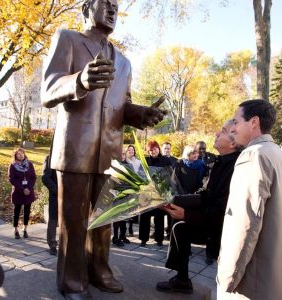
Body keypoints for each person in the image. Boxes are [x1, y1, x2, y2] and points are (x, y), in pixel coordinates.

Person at [40, 0, 166, 297]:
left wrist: (141, 115)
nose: (112, 10)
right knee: (73, 221)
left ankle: (99, 269)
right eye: (105, 4)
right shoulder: (67, 39)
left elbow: (122, 106)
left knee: (104, 218)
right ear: (86, 9)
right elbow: (48, 90)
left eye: (116, 7)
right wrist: (80, 80)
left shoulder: (123, 61)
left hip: (109, 150)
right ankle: (72, 282)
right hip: (75, 148)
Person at [217, 99, 282, 299]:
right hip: (280, 275)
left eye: (236, 122)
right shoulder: (280, 156)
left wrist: (227, 277)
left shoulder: (253, 156)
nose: (233, 129)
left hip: (255, 281)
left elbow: (245, 223)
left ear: (253, 122)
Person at [156, 120, 240, 294]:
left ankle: (182, 279)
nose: (217, 133)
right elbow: (205, 193)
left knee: (181, 226)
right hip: (211, 218)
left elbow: (221, 208)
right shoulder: (219, 162)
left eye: (222, 131)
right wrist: (174, 200)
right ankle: (182, 280)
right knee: (179, 228)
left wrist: (186, 214)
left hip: (223, 227)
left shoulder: (235, 167)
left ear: (233, 142)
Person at [138, 140, 172, 247]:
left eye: (155, 149)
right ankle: (143, 239)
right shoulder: (145, 161)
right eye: (151, 150)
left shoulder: (165, 160)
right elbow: (140, 175)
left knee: (159, 216)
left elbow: (170, 175)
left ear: (158, 149)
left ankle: (159, 239)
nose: (153, 151)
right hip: (147, 193)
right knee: (145, 215)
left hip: (160, 193)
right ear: (148, 151)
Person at [9, 148, 37, 239]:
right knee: (16, 211)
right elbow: (11, 179)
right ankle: (15, 229)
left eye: (22, 153)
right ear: (15, 155)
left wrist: (28, 188)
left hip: (29, 191)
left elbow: (33, 177)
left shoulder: (30, 164)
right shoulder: (12, 165)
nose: (20, 155)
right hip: (18, 191)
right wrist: (22, 189)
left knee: (27, 211)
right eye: (18, 154)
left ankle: (25, 229)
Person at [42, 155, 58, 256]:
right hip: (56, 196)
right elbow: (45, 178)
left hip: (71, 196)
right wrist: (57, 190)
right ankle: (52, 245)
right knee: (53, 220)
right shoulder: (50, 158)